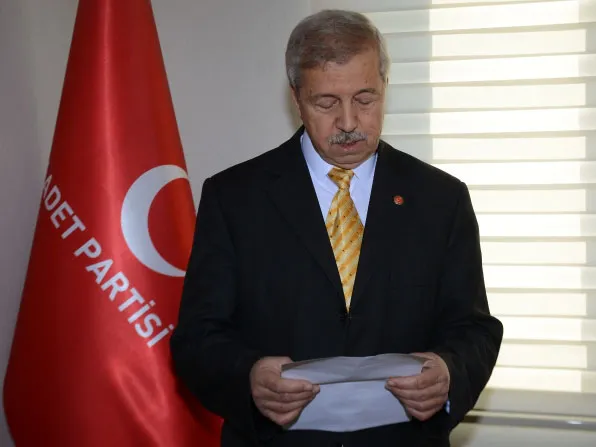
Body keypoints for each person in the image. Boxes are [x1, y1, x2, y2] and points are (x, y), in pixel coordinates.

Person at [171, 9, 503, 447]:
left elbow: (474, 328)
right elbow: (197, 338)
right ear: (296, 98)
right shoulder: (234, 198)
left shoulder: (441, 199)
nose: (348, 122)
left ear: (385, 86)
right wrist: (248, 376)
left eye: (365, 99)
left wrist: (449, 371)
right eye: (326, 103)